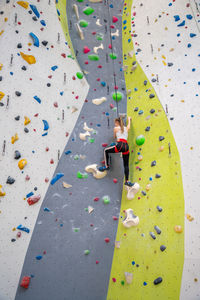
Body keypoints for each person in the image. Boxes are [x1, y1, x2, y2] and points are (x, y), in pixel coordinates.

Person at [99, 116, 133, 186]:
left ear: (117, 122)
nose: (115, 124)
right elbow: (129, 125)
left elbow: (114, 137)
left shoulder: (115, 128)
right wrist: (129, 119)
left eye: (115, 123)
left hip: (120, 145)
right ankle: (127, 181)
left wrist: (116, 133)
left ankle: (107, 166)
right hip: (126, 146)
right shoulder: (126, 128)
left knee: (106, 150)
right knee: (126, 165)